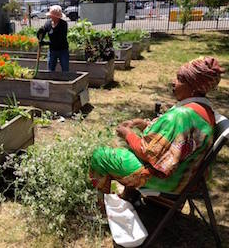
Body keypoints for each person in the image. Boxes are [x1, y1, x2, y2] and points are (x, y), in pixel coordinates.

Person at [90, 57, 225, 196]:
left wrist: (127, 134)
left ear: (193, 87)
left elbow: (149, 153)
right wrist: (142, 124)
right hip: (187, 176)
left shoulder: (182, 115)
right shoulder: (202, 109)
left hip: (170, 181)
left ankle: (101, 208)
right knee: (124, 152)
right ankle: (129, 195)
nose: (173, 82)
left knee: (100, 156)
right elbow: (168, 138)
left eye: (180, 79)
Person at [38, 5, 69, 72]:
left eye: (52, 16)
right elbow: (42, 34)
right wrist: (39, 34)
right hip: (52, 50)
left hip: (62, 50)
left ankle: (65, 81)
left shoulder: (63, 24)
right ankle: (52, 82)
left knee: (65, 70)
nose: (51, 17)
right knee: (50, 69)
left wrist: (46, 43)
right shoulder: (48, 23)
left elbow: (60, 40)